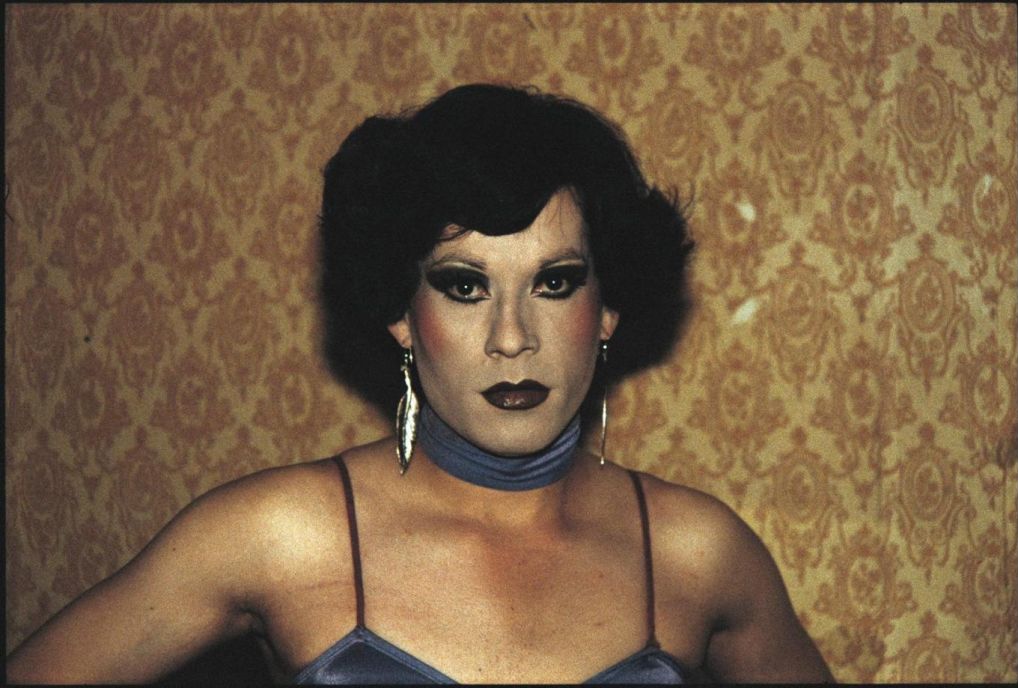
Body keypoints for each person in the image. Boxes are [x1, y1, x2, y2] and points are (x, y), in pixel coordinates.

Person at [6, 84, 833, 684]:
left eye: (555, 283)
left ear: (607, 308)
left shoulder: (698, 554)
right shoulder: (280, 535)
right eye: (464, 286)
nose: (512, 338)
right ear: (401, 313)